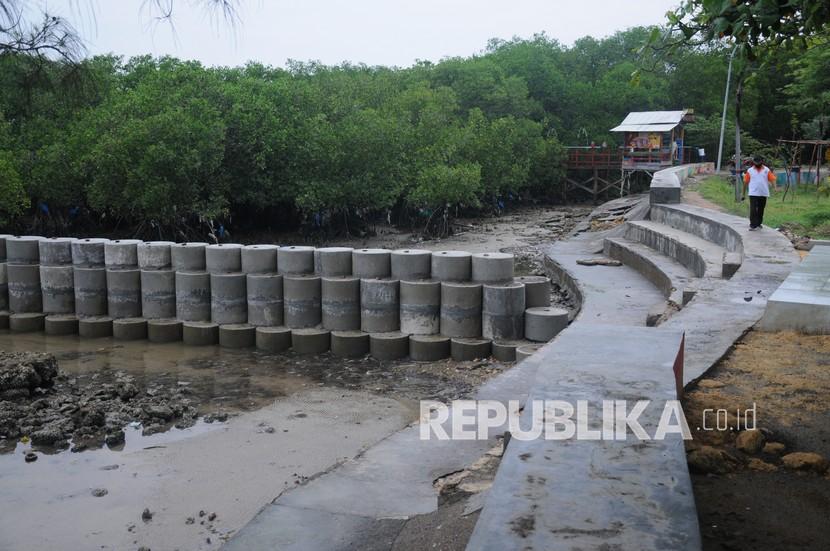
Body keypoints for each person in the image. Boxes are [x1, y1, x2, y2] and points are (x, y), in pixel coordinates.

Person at [743, 155, 776, 230]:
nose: (757, 164)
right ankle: (753, 225)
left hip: (763, 193)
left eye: (759, 162)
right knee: (753, 209)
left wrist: (775, 188)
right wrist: (743, 193)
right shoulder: (750, 170)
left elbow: (772, 179)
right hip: (753, 193)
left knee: (761, 209)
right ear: (753, 162)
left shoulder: (766, 170)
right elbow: (745, 182)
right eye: (756, 162)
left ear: (762, 162)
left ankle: (758, 223)